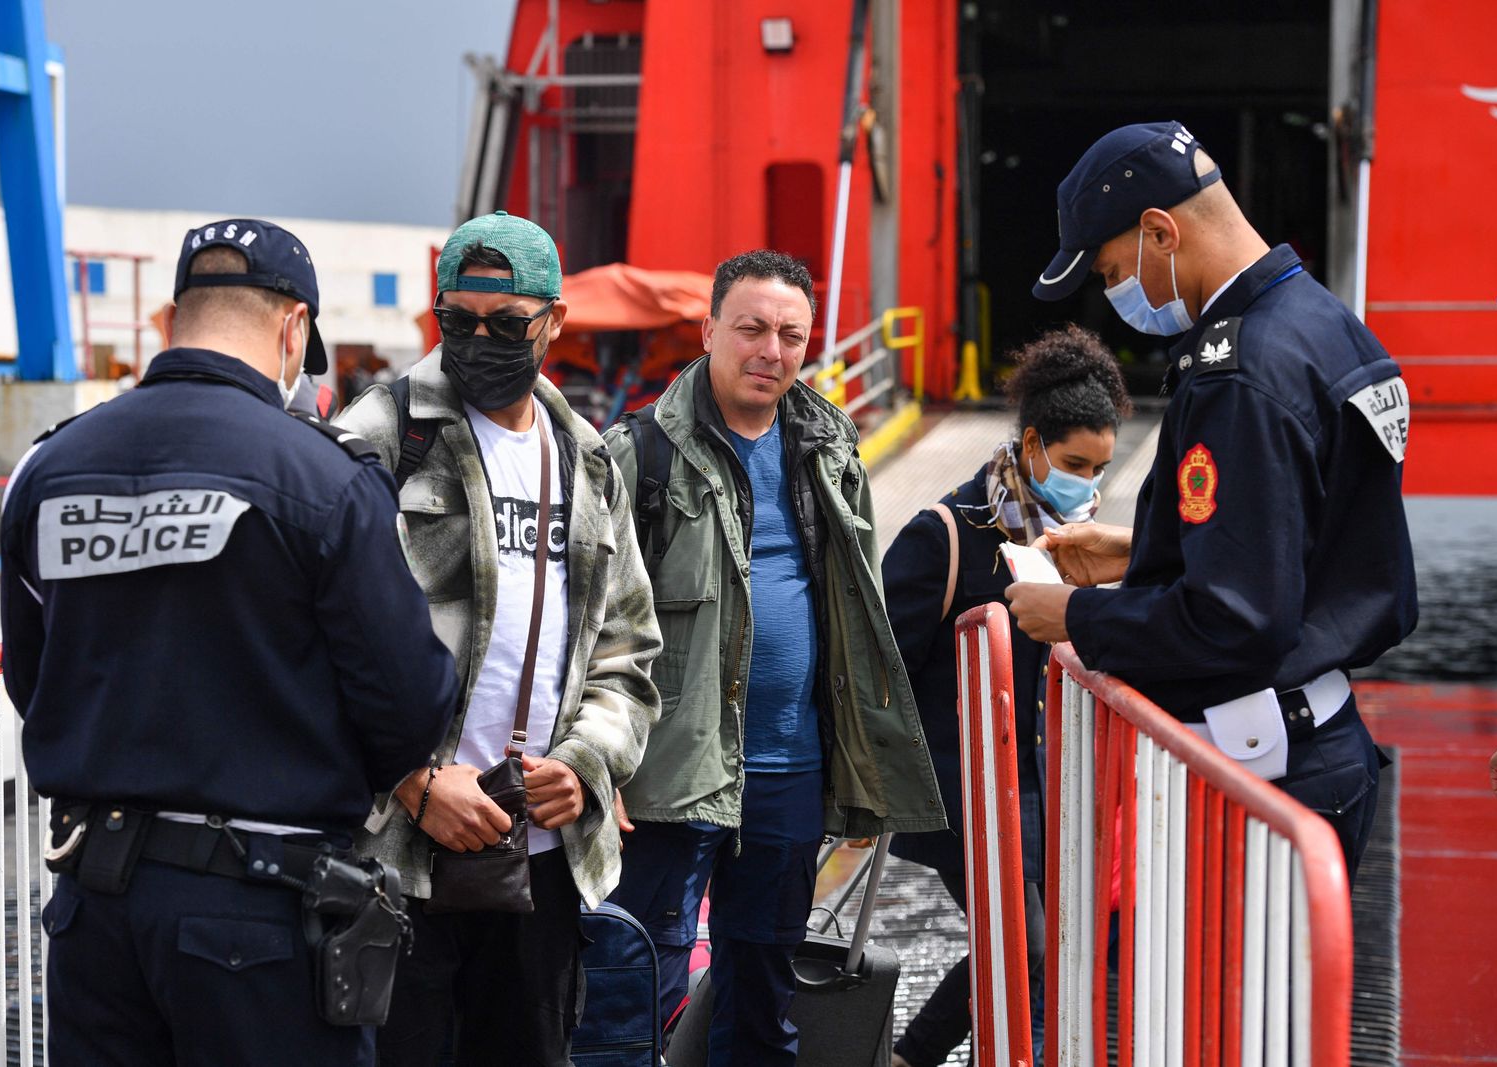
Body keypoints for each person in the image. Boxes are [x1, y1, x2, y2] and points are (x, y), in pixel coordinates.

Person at [0, 218, 462, 1066]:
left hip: (94, 910)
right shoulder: (324, 477)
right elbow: (407, 703)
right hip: (260, 917)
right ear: (294, 329)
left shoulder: (49, 470)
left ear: (176, 319)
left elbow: (33, 674)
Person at [1009, 121, 1418, 881]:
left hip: (1261, 774)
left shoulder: (1242, 372)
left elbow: (1234, 621)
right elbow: (1312, 532)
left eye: (1107, 272)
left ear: (1160, 233)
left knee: (1226, 1004)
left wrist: (1071, 616)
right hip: (1321, 742)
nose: (1114, 294)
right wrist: (1144, 549)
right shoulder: (1326, 325)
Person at [335, 210, 662, 1067]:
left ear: (553, 321)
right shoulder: (379, 437)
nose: (479, 341)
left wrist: (586, 765)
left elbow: (628, 649)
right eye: (458, 322)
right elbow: (310, 635)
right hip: (397, 857)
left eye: (506, 324)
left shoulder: (588, 459)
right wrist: (411, 778)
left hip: (540, 862)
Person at [604, 249, 946, 1065]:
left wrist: (859, 763)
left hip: (788, 766)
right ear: (709, 328)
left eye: (792, 334)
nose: (771, 350)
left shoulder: (829, 447)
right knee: (639, 973)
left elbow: (852, 611)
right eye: (751, 328)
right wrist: (601, 763)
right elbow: (597, 621)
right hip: (668, 768)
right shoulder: (637, 451)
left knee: (763, 989)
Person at [882, 325, 1131, 1067]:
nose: (1088, 485)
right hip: (967, 789)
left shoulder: (1084, 544)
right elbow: (883, 668)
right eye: (1075, 464)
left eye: (1101, 469)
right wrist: (863, 792)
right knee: (1029, 944)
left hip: (1055, 788)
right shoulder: (945, 535)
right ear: (1030, 447)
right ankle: (909, 1056)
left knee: (1046, 948)